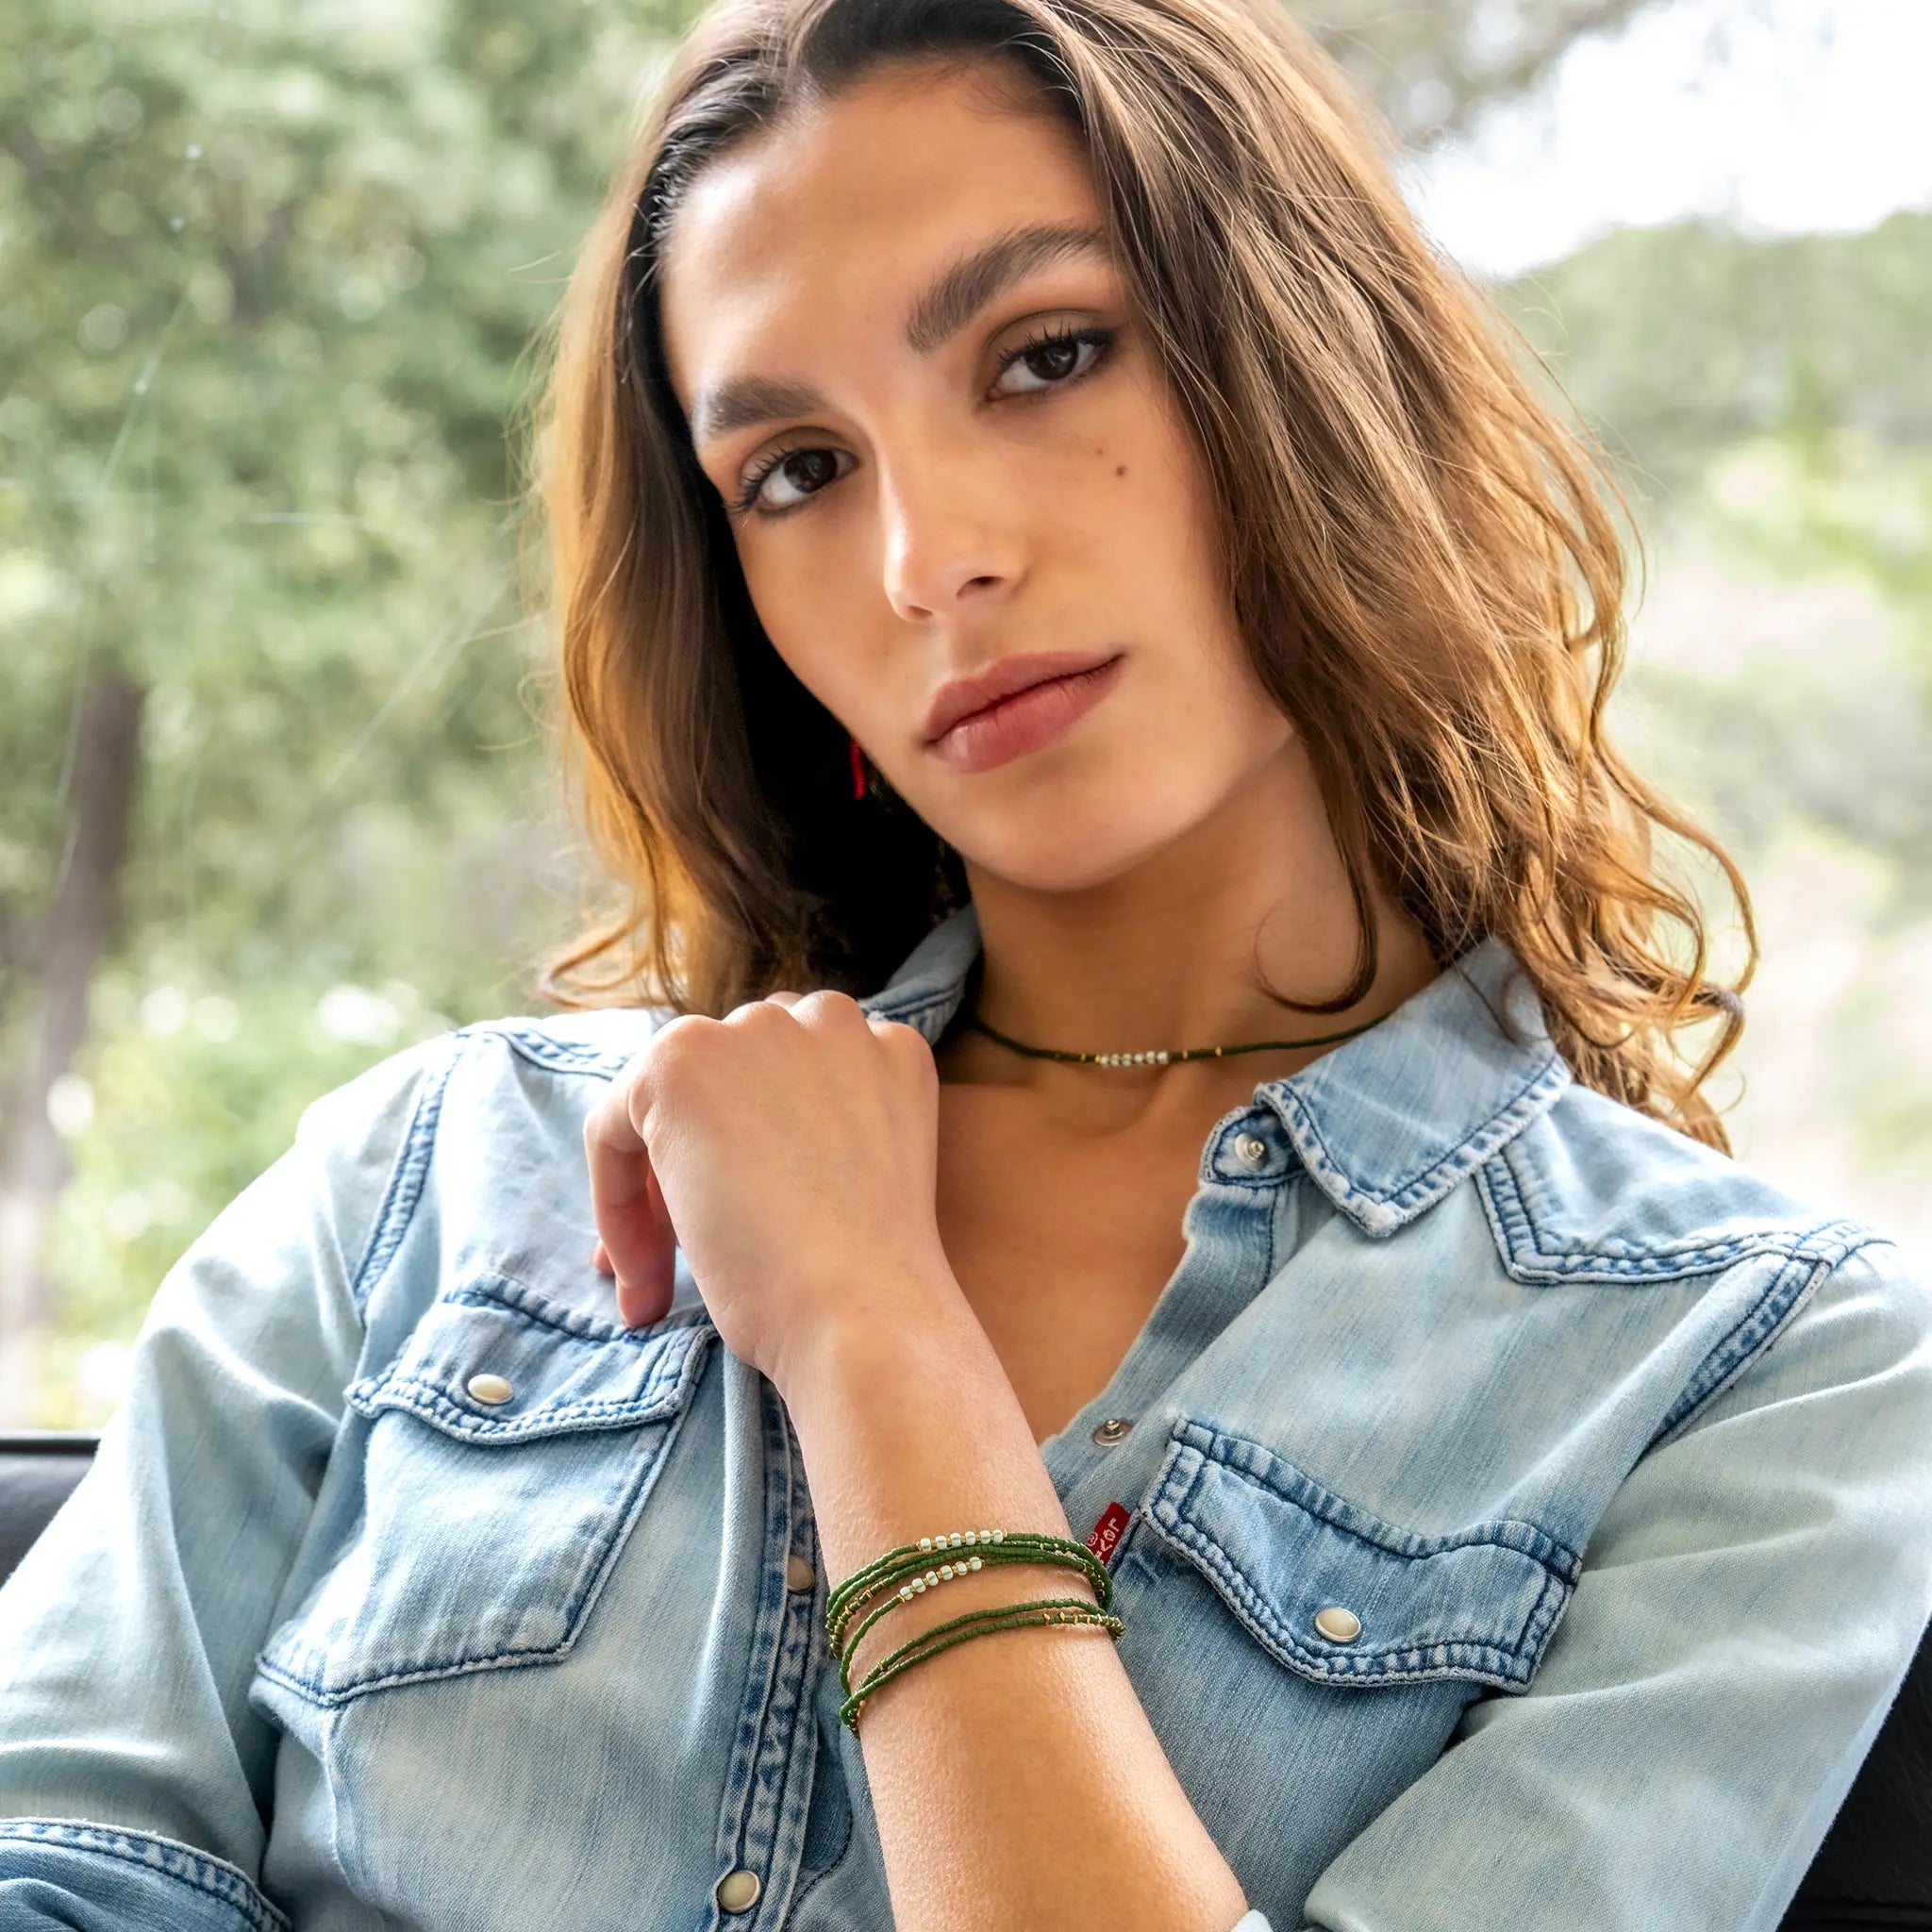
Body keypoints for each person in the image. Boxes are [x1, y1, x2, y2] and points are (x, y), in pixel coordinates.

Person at [3, 0, 1929, 1925]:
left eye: (1046, 355)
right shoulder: (422, 1190)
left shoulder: (1765, 1379)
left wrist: (871, 1331)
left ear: (1312, 358)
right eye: (795, 471)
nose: (926, 560)